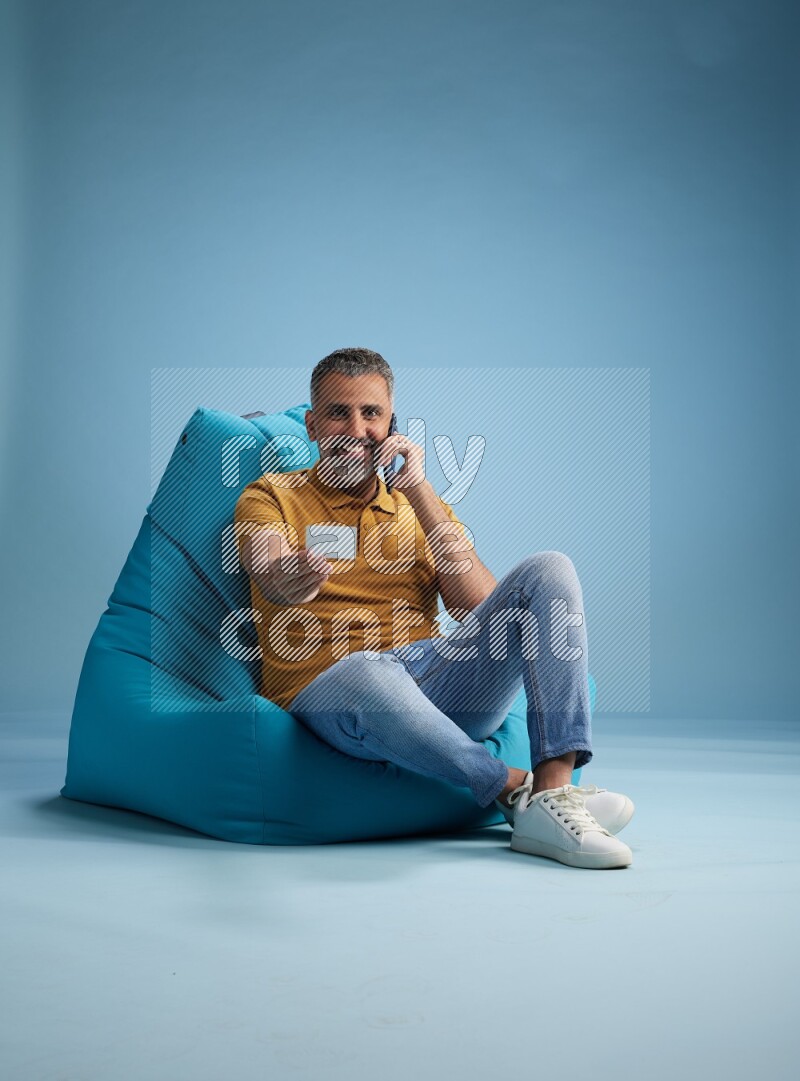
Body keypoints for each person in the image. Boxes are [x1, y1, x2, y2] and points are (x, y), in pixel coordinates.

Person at [234, 347, 635, 869]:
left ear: (391, 424)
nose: (356, 428)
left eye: (371, 413)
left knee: (549, 569)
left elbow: (478, 609)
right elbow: (266, 565)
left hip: (432, 677)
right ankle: (512, 787)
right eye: (338, 412)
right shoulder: (271, 495)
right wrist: (288, 576)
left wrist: (419, 490)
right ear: (312, 425)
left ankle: (553, 792)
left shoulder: (417, 506)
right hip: (335, 689)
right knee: (366, 672)